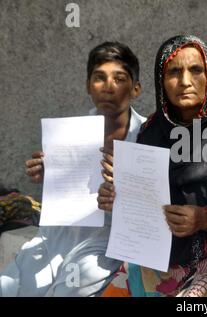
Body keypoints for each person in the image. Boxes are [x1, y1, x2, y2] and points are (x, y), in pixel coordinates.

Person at [99, 35, 207, 297]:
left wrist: (206, 219)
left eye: (196, 70)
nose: (184, 81)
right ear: (161, 80)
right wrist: (117, 196)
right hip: (153, 255)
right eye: (173, 72)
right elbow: (144, 199)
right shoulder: (152, 130)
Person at [0, 42, 146, 297]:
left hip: (111, 240)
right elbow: (66, 195)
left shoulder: (148, 137)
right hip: (60, 234)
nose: (109, 87)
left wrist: (123, 190)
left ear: (135, 89)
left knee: (70, 288)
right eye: (99, 78)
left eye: (119, 79)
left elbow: (152, 207)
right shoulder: (71, 135)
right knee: (12, 286)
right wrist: (48, 175)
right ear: (88, 86)